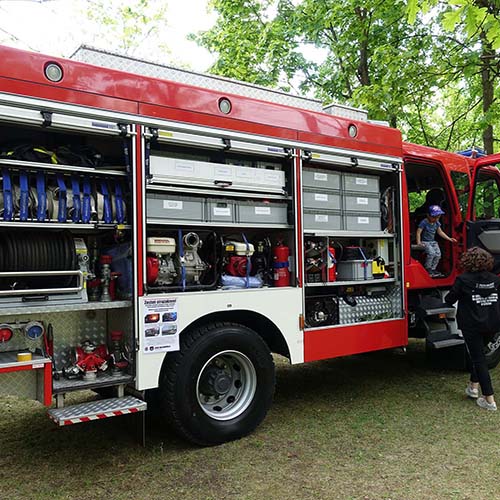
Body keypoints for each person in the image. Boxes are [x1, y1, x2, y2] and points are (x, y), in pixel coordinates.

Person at [444, 247, 499, 411]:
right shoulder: (495, 280)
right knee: (480, 355)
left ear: (467, 261)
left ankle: (489, 400)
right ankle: (473, 387)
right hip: (492, 324)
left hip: (471, 325)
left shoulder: (463, 279)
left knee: (478, 359)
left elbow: (449, 299)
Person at [416, 204, 457, 277]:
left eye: (438, 217)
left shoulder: (436, 223)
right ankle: (428, 268)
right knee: (431, 253)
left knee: (438, 254)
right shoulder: (424, 222)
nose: (436, 219)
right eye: (434, 217)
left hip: (433, 242)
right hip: (425, 242)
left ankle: (433, 269)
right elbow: (418, 232)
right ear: (428, 215)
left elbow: (440, 232)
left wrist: (449, 239)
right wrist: (419, 242)